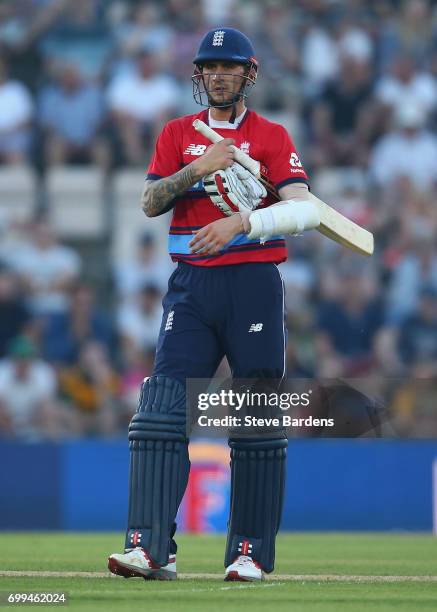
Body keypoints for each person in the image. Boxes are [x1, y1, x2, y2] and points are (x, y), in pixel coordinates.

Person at [108, 27, 321, 582]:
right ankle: (150, 548)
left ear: (249, 73)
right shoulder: (178, 133)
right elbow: (151, 201)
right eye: (209, 66)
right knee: (160, 410)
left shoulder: (272, 136)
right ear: (198, 74)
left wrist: (242, 222)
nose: (219, 74)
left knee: (254, 413)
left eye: (230, 66)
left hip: (253, 280)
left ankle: (248, 552)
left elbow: (303, 210)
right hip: (191, 285)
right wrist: (198, 170)